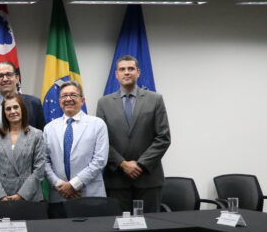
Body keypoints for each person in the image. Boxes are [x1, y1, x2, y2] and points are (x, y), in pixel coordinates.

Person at [95, 55, 171, 213]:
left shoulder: (155, 99)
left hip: (148, 179)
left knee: (151, 228)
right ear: (116, 74)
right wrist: (123, 164)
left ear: (138, 72)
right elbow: (101, 142)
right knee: (120, 231)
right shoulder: (104, 103)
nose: (126, 72)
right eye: (122, 69)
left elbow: (163, 138)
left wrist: (140, 164)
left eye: (130, 69)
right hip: (117, 180)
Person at [0, 61, 45, 201]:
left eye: (8, 74)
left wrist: (24, 193)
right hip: (0, 186)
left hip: (28, 187)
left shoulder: (34, 103)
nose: (5, 79)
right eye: (0, 76)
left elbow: (42, 143)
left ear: (17, 78)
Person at [43, 80, 109, 201]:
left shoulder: (98, 124)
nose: (68, 99)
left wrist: (73, 185)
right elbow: (44, 161)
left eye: (73, 95)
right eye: (64, 96)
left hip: (90, 194)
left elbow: (100, 160)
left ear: (83, 100)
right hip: (59, 195)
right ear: (59, 102)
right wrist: (60, 185)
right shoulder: (49, 128)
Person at [0, 94, 46, 202]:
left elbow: (39, 169)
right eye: (8, 109)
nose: (12, 111)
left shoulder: (36, 134)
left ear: (22, 109)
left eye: (16, 107)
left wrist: (21, 195)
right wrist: (0, 196)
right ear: (4, 113)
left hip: (29, 197)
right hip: (3, 197)